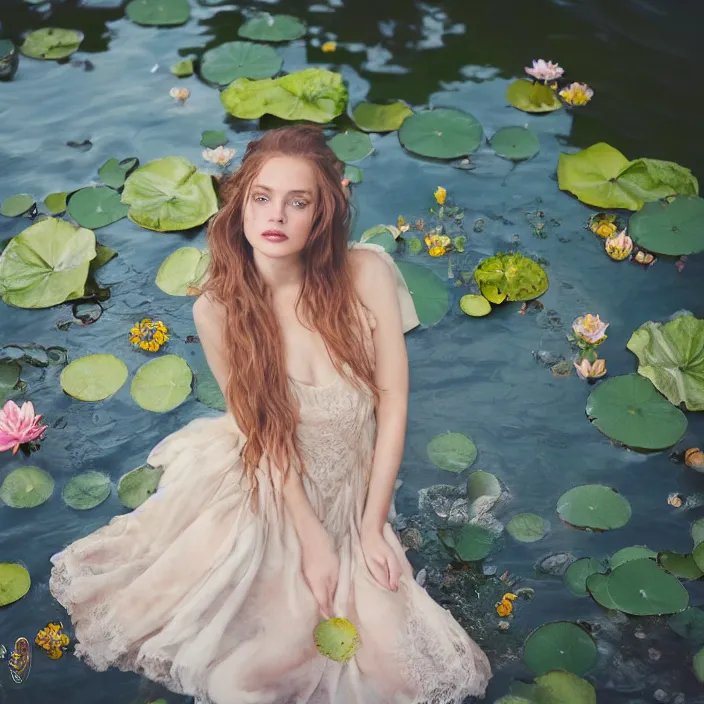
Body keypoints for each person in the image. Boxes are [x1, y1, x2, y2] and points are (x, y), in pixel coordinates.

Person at [49, 125, 492, 703]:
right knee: (254, 673)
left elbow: (395, 400)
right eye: (262, 197)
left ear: (321, 215)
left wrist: (369, 524)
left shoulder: (368, 274)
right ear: (241, 206)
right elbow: (262, 431)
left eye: (297, 201)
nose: (275, 215)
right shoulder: (218, 311)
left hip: (353, 494)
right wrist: (311, 539)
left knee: (401, 673)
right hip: (277, 486)